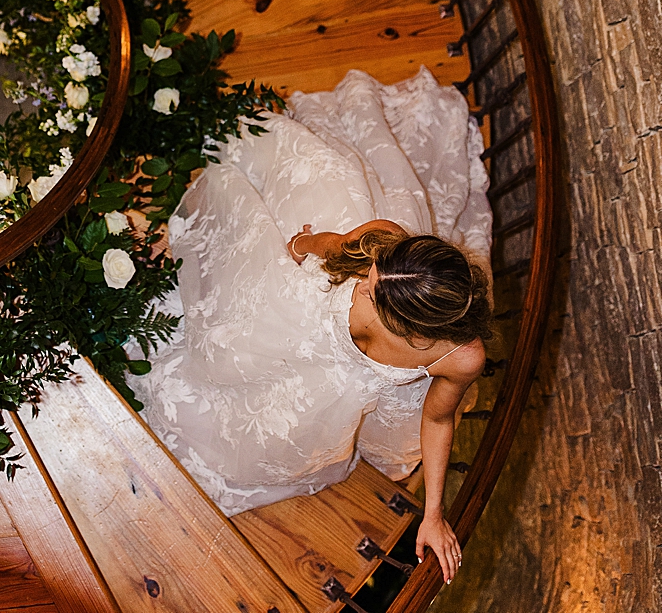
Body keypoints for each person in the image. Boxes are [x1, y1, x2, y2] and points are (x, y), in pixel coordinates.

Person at [133, 67, 492, 584]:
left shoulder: (462, 358)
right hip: (299, 315)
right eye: (373, 274)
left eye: (375, 291)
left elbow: (437, 420)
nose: (365, 282)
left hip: (339, 389)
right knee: (225, 349)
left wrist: (433, 512)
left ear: (419, 327)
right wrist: (297, 246)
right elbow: (331, 246)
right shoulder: (383, 242)